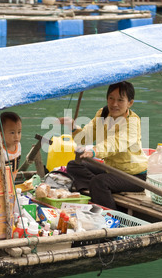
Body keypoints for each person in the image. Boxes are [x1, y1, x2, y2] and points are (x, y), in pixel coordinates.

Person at [58, 81, 148, 210]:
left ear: (130, 103)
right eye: (111, 98)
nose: (114, 104)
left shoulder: (133, 123)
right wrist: (72, 127)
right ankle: (101, 189)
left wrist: (94, 151)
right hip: (111, 169)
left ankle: (111, 216)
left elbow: (116, 143)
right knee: (74, 165)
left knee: (99, 181)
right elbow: (85, 138)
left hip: (133, 176)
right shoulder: (103, 114)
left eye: (120, 100)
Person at [0, 112, 22, 177]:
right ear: (1, 134)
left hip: (11, 183)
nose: (17, 136)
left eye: (19, 132)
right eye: (12, 133)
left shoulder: (18, 145)